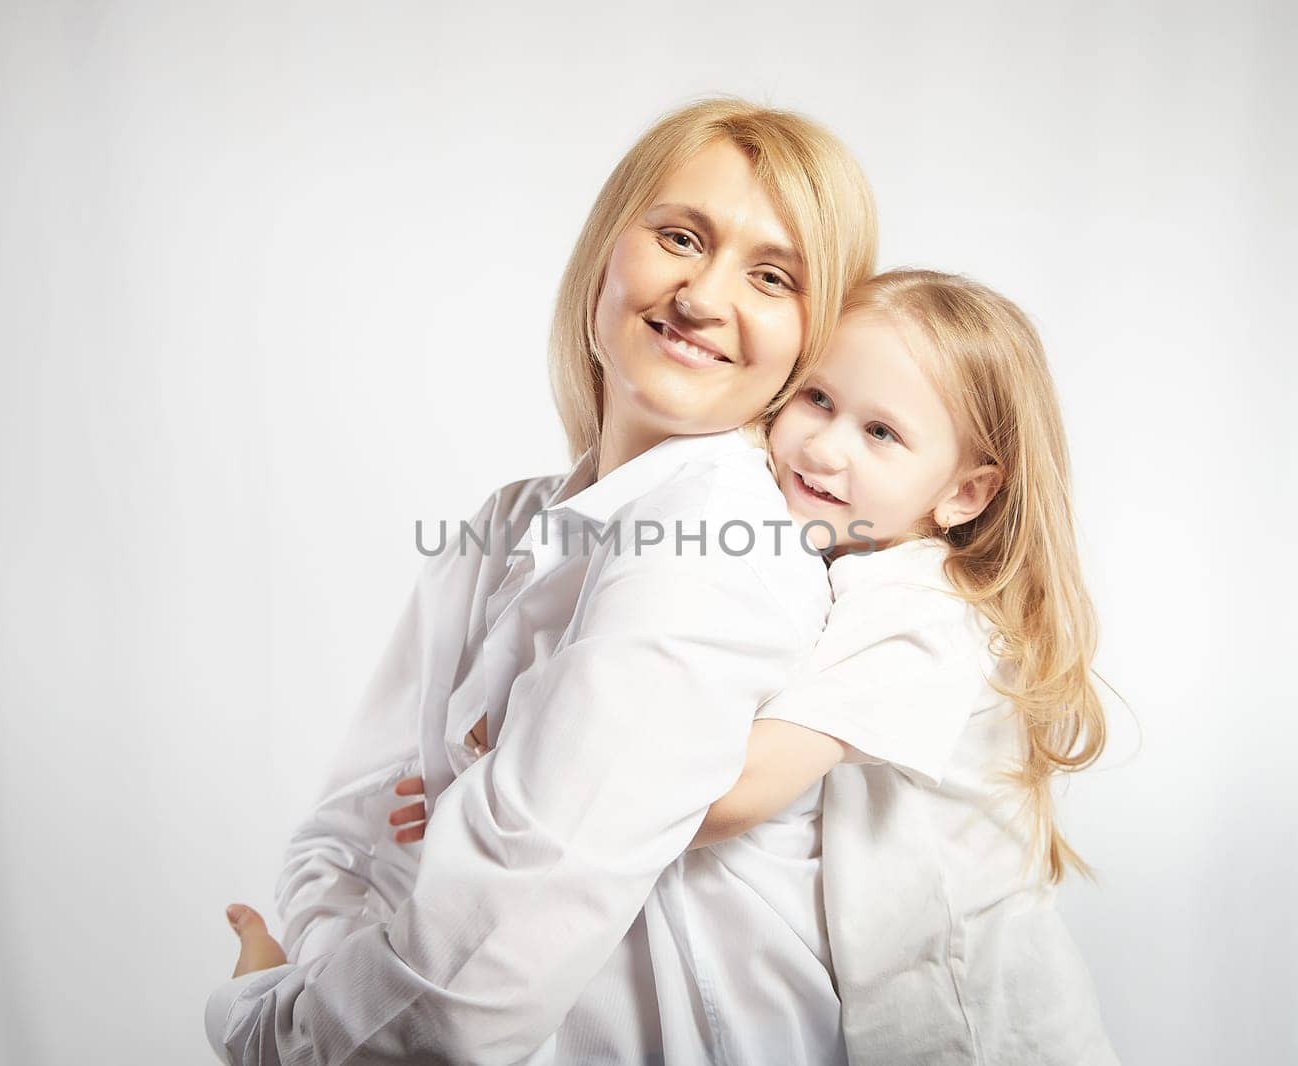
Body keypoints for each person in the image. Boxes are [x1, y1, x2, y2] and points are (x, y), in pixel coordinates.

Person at [208, 97, 878, 1065]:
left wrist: (261, 1022)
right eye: (679, 236)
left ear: (810, 339)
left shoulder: (712, 553)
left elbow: (462, 999)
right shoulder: (505, 526)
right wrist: (320, 975)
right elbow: (350, 835)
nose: (701, 294)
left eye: (771, 276)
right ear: (608, 249)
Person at [393, 269, 1119, 1064]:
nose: (825, 446)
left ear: (966, 493)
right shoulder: (827, 553)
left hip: (978, 1025)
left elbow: (734, 793)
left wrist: (526, 787)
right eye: (817, 399)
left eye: (882, 434)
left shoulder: (927, 614)